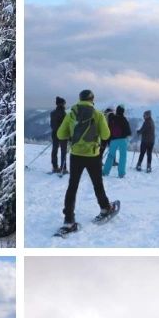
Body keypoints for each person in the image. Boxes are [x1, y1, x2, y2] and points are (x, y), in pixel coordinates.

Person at [56, 89, 114, 229]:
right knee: (97, 183)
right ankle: (105, 208)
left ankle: (69, 219)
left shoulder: (71, 114)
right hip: (92, 155)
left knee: (72, 186)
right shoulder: (98, 114)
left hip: (75, 155)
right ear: (92, 99)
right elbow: (106, 135)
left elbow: (60, 135)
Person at [104, 105, 132, 178]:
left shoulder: (112, 118)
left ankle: (105, 171)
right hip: (123, 140)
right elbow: (129, 132)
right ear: (123, 111)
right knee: (123, 156)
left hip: (113, 140)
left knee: (110, 156)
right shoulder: (124, 119)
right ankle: (121, 173)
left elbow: (108, 129)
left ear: (117, 110)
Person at [49, 96, 68, 174]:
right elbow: (66, 125)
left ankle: (55, 167)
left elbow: (52, 125)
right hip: (63, 134)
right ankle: (63, 168)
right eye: (64, 104)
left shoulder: (52, 113)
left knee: (54, 150)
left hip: (54, 134)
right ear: (62, 104)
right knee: (63, 151)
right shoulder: (64, 113)